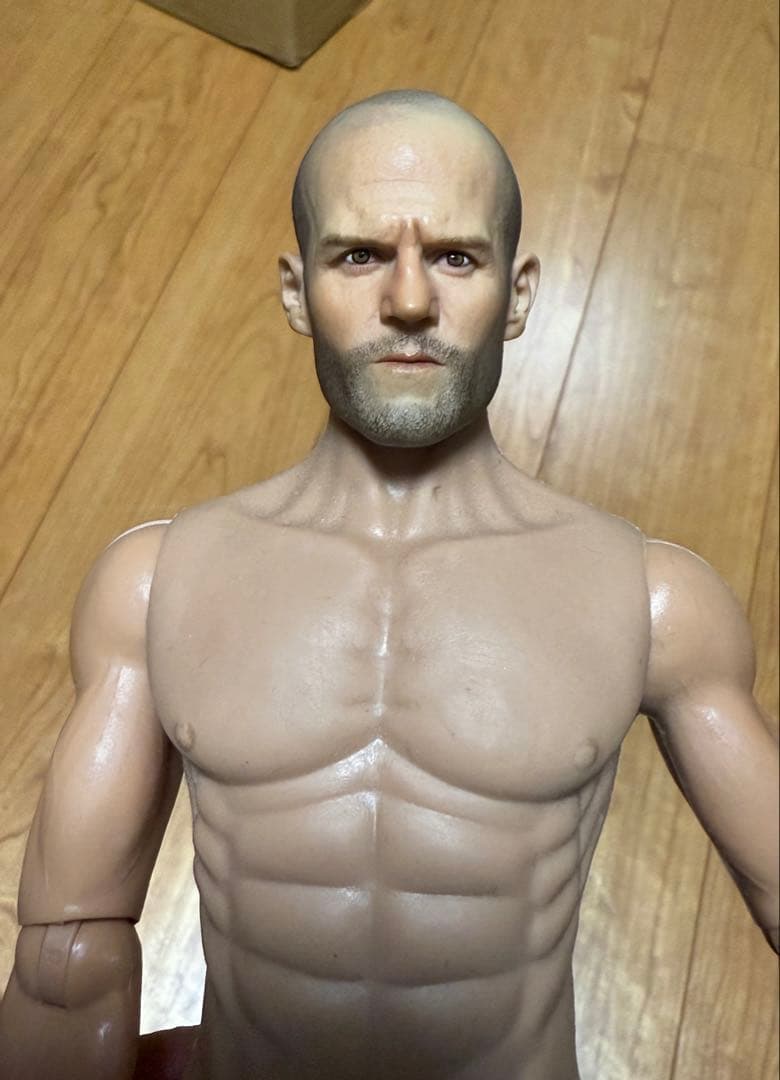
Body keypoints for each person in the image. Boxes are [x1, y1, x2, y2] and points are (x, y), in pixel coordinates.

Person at [0, 90, 776, 1080]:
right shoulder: (154, 588)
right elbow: (65, 965)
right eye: (361, 255)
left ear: (519, 296)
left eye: (455, 257)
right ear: (296, 293)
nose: (409, 301)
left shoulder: (655, 605)